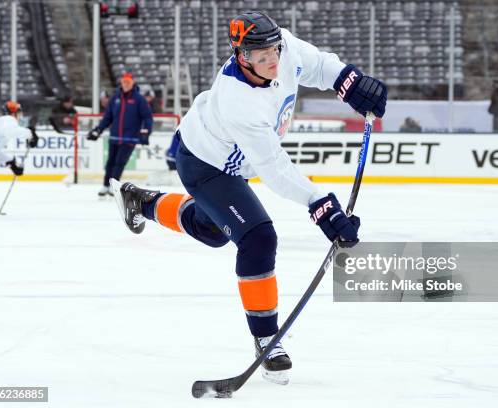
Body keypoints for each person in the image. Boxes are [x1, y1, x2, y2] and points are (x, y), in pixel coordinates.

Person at [109, 11, 386, 384]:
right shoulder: (238, 101)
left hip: (227, 161)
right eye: (261, 56)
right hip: (205, 164)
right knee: (257, 237)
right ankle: (266, 337)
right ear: (242, 57)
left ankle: (141, 202)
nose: (272, 60)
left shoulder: (283, 48)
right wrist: (320, 204)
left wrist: (348, 81)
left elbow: (318, 65)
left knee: (213, 230)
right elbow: (273, 167)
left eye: (273, 50)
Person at [87, 72, 153, 197]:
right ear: (121, 83)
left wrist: (145, 131)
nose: (126, 84)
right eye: (124, 82)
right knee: (110, 162)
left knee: (119, 162)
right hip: (115, 137)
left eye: (128, 82)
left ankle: (114, 187)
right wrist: (98, 130)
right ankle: (105, 185)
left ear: (132, 83)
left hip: (130, 138)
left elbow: (147, 117)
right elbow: (107, 117)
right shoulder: (115, 98)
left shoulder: (139, 99)